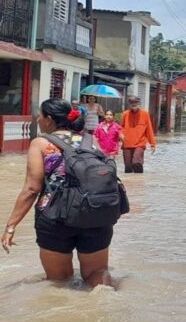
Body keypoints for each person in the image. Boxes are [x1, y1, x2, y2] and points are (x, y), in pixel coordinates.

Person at [1, 98, 113, 288]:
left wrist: (10, 226)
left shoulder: (41, 143)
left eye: (40, 116)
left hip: (54, 215)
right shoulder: (89, 140)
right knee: (98, 273)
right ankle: (105, 297)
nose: (38, 119)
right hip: (95, 212)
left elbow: (31, 189)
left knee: (59, 281)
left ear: (49, 119)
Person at [120, 96, 156, 173]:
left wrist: (152, 144)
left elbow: (149, 129)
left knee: (136, 162)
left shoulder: (145, 114)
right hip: (127, 143)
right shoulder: (125, 114)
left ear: (139, 103)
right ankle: (131, 184)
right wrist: (120, 134)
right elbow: (120, 128)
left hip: (140, 143)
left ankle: (140, 182)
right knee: (128, 167)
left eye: (135, 102)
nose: (134, 104)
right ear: (129, 104)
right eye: (131, 103)